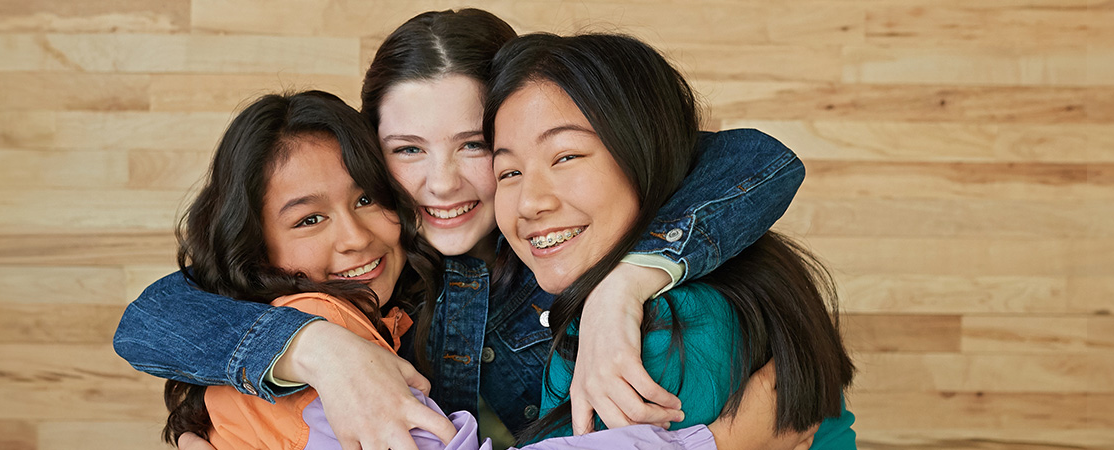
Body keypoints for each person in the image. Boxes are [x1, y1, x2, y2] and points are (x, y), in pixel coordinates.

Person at [115, 9, 811, 450]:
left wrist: (626, 284)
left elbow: (756, 160)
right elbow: (154, 316)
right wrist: (323, 351)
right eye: (408, 149)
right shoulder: (373, 274)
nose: (442, 184)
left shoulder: (583, 247)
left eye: (475, 145)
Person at [169, 90, 720, 450]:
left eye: (367, 200)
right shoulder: (320, 325)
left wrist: (620, 287)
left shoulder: (382, 312)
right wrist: (718, 441)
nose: (356, 238)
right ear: (255, 246)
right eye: (309, 219)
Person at [483, 32, 857, 449]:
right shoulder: (725, 276)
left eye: (566, 156)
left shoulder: (665, 331)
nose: (530, 203)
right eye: (509, 173)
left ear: (644, 158)